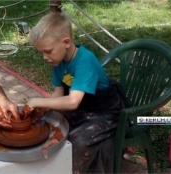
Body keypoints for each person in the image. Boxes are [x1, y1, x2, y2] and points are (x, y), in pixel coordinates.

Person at [25, 12, 127, 173]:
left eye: (48, 51)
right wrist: (42, 110)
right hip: (81, 108)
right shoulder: (58, 61)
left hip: (104, 111)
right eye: (42, 53)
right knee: (48, 126)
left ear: (66, 42)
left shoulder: (85, 61)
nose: (45, 57)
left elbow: (72, 101)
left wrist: (36, 101)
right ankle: (55, 166)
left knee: (77, 141)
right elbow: (58, 94)